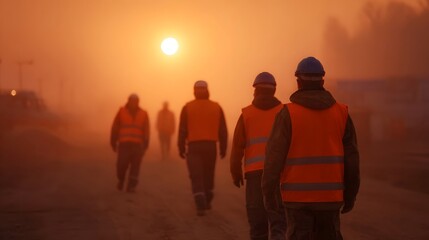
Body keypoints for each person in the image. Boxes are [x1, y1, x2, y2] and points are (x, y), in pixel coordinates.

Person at [262, 57, 360, 240]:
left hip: (297, 201)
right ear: (322, 81)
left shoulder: (287, 115)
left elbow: (272, 160)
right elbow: (352, 160)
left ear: (298, 82)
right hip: (330, 200)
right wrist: (351, 195)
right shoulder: (341, 113)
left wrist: (269, 197)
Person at [230, 72, 287, 240]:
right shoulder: (285, 112)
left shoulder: (246, 115)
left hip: (255, 176)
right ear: (274, 90)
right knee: (278, 220)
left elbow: (237, 146)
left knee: (257, 224)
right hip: (280, 175)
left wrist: (235, 172)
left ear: (255, 90)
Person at [178, 80, 228, 216]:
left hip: (194, 146)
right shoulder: (216, 107)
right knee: (208, 174)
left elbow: (182, 129)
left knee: (196, 175)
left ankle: (200, 199)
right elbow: (222, 130)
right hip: (210, 146)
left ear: (194, 90)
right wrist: (223, 147)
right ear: (207, 90)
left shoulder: (187, 107)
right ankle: (208, 196)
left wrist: (180, 146)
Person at [110, 93, 150, 193]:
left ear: (138, 102)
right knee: (121, 166)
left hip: (137, 145)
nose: (133, 103)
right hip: (124, 144)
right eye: (132, 101)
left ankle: (131, 186)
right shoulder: (121, 112)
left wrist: (146, 143)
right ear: (128, 101)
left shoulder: (143, 113)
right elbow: (115, 127)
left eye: (135, 101)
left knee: (135, 167)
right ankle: (121, 180)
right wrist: (113, 141)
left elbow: (146, 129)